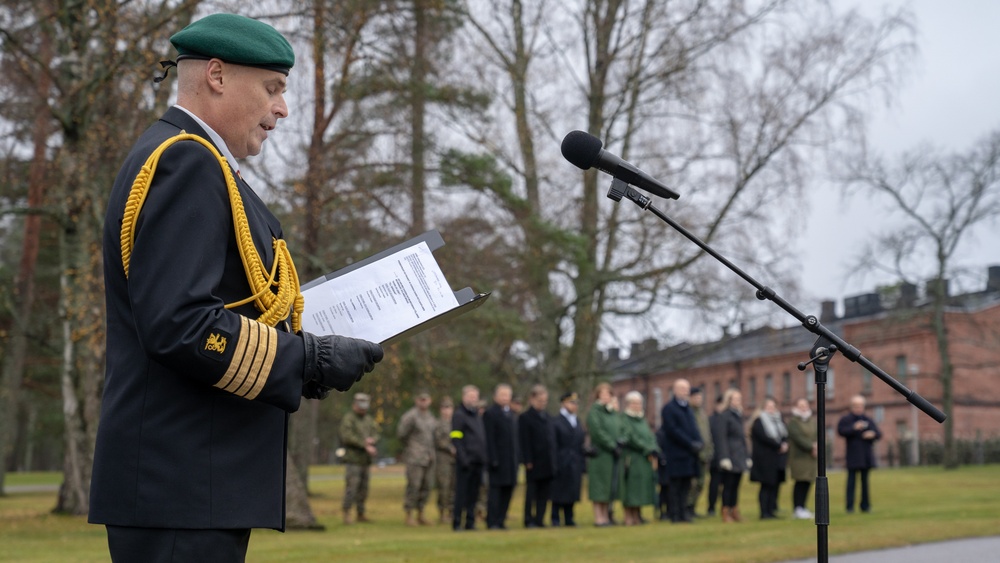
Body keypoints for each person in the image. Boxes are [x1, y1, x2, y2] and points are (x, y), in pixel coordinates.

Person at [87, 14, 384, 561]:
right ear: (217, 76)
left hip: (187, 484)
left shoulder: (191, 159)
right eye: (272, 88)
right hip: (181, 483)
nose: (282, 109)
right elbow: (181, 324)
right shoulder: (186, 163)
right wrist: (308, 360)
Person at [659, 379, 704, 524]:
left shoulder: (688, 409)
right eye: (683, 389)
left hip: (689, 454)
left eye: (687, 389)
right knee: (675, 485)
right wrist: (690, 443)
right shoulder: (669, 409)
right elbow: (673, 430)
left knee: (686, 485)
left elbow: (694, 428)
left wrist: (699, 442)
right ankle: (675, 514)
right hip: (676, 454)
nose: (686, 392)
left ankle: (684, 512)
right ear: (675, 390)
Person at [519, 385, 558, 528]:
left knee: (544, 494)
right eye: (540, 400)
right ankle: (528, 519)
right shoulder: (525, 417)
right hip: (534, 461)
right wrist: (527, 460)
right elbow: (524, 440)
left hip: (547, 461)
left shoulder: (548, 417)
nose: (542, 403)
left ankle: (540, 518)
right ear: (532, 399)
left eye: (545, 401)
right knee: (532, 493)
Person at [620, 391, 660, 526]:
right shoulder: (625, 419)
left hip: (644, 459)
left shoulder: (642, 420)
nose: (637, 406)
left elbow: (650, 436)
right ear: (628, 404)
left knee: (641, 488)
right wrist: (646, 448)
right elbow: (631, 437)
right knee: (631, 487)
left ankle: (638, 515)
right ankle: (628, 516)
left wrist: (654, 448)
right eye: (634, 403)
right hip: (632, 458)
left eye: (639, 403)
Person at [397, 391, 437, 526]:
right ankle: (409, 515)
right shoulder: (410, 416)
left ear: (429, 401)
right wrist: (413, 447)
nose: (423, 402)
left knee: (426, 486)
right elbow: (402, 434)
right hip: (415, 457)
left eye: (426, 399)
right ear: (417, 401)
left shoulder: (431, 417)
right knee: (414, 486)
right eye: (421, 399)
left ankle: (421, 514)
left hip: (429, 456)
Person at [340, 393, 381, 524]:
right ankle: (347, 513)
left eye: (365, 406)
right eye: (361, 406)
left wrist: (372, 440)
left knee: (364, 488)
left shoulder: (369, 420)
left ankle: (361, 513)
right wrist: (364, 444)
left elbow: (376, 432)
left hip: (365, 460)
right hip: (353, 460)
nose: (363, 409)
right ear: (354, 405)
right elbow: (346, 436)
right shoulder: (349, 419)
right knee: (352, 488)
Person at [837, 395, 882, 513]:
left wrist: (872, 434)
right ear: (852, 407)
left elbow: (878, 433)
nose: (858, 408)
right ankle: (849, 507)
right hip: (853, 455)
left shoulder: (867, 419)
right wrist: (854, 428)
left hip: (866, 455)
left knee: (865, 483)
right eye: (856, 406)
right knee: (851, 482)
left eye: (860, 406)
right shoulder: (846, 419)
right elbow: (841, 431)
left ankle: (865, 506)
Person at [586, 382, 622, 527]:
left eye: (609, 394)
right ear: (598, 395)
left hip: (612, 454)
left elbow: (618, 428)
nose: (606, 397)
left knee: (608, 485)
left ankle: (606, 516)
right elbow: (597, 432)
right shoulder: (595, 411)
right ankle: (598, 517)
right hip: (600, 454)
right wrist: (612, 445)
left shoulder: (611, 412)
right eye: (603, 394)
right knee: (599, 486)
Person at [451, 385, 487, 530]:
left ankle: (470, 522)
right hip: (466, 462)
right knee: (461, 493)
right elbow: (456, 437)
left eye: (475, 397)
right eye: (470, 396)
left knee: (474, 494)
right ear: (464, 397)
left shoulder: (477, 415)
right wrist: (463, 457)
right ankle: (457, 522)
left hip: (478, 461)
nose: (473, 399)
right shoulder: (459, 415)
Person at [483, 383, 518, 530]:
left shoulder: (511, 414)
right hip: (497, 459)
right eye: (502, 395)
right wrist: (493, 458)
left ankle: (502, 519)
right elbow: (489, 438)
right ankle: (492, 521)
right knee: (496, 492)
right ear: (495, 396)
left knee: (508, 490)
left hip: (511, 460)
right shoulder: (490, 413)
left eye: (507, 395)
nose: (505, 398)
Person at [749, 397, 788, 520]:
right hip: (764, 459)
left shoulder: (779, 420)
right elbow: (764, 437)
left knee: (774, 485)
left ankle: (771, 510)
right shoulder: (759, 421)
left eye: (773, 406)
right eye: (768, 406)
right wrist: (779, 445)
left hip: (777, 459)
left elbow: (785, 435)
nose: (771, 409)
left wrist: (785, 444)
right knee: (766, 485)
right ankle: (764, 512)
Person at [550, 392, 586, 527]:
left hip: (575, 460)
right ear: (564, 403)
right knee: (559, 490)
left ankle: (569, 517)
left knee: (572, 490)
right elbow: (553, 445)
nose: (574, 406)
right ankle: (555, 518)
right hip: (561, 459)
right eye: (571, 403)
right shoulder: (556, 421)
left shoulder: (577, 421)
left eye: (576, 403)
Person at [714, 389, 749, 523]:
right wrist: (724, 457)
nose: (738, 401)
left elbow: (742, 438)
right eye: (735, 399)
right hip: (729, 455)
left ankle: (734, 510)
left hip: (739, 455)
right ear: (729, 400)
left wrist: (747, 456)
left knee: (736, 485)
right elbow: (721, 437)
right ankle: (725, 510)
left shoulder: (739, 415)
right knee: (728, 485)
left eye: (739, 399)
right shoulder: (725, 415)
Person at [787, 398, 818, 519]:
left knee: (807, 482)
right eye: (801, 405)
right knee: (800, 482)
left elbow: (818, 434)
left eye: (805, 405)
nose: (803, 407)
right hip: (799, 458)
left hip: (811, 457)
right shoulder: (793, 422)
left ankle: (803, 507)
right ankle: (797, 508)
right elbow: (797, 437)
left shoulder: (812, 421)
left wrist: (817, 446)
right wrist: (811, 446)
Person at [687, 386, 714, 519]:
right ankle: (687, 507)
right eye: (696, 397)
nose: (699, 400)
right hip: (694, 454)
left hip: (704, 454)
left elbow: (707, 434)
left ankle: (693, 507)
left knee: (701, 483)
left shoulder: (702, 413)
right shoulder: (688, 413)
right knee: (692, 483)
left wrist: (710, 450)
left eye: (700, 397)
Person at [434, 396, 457, 524]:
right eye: (444, 408)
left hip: (455, 459)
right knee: (444, 487)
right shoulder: (438, 424)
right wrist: (450, 448)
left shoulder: (456, 422)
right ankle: (442, 512)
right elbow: (438, 441)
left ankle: (451, 512)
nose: (447, 410)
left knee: (454, 487)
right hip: (443, 459)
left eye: (449, 407)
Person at [705, 395, 725, 517]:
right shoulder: (711, 420)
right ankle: (711, 507)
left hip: (726, 457)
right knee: (715, 484)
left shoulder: (726, 419)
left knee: (726, 484)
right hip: (715, 457)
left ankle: (725, 506)